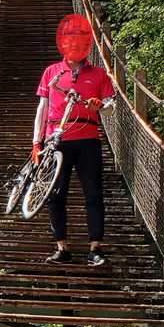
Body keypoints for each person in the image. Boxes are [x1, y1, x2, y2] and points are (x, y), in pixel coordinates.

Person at [33, 14, 114, 266]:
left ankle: (95, 249)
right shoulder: (51, 72)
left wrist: (100, 106)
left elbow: (110, 107)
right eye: (70, 40)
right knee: (54, 193)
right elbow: (42, 108)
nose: (74, 45)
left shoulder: (99, 74)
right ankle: (62, 248)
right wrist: (36, 142)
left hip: (88, 139)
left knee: (93, 193)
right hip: (56, 139)